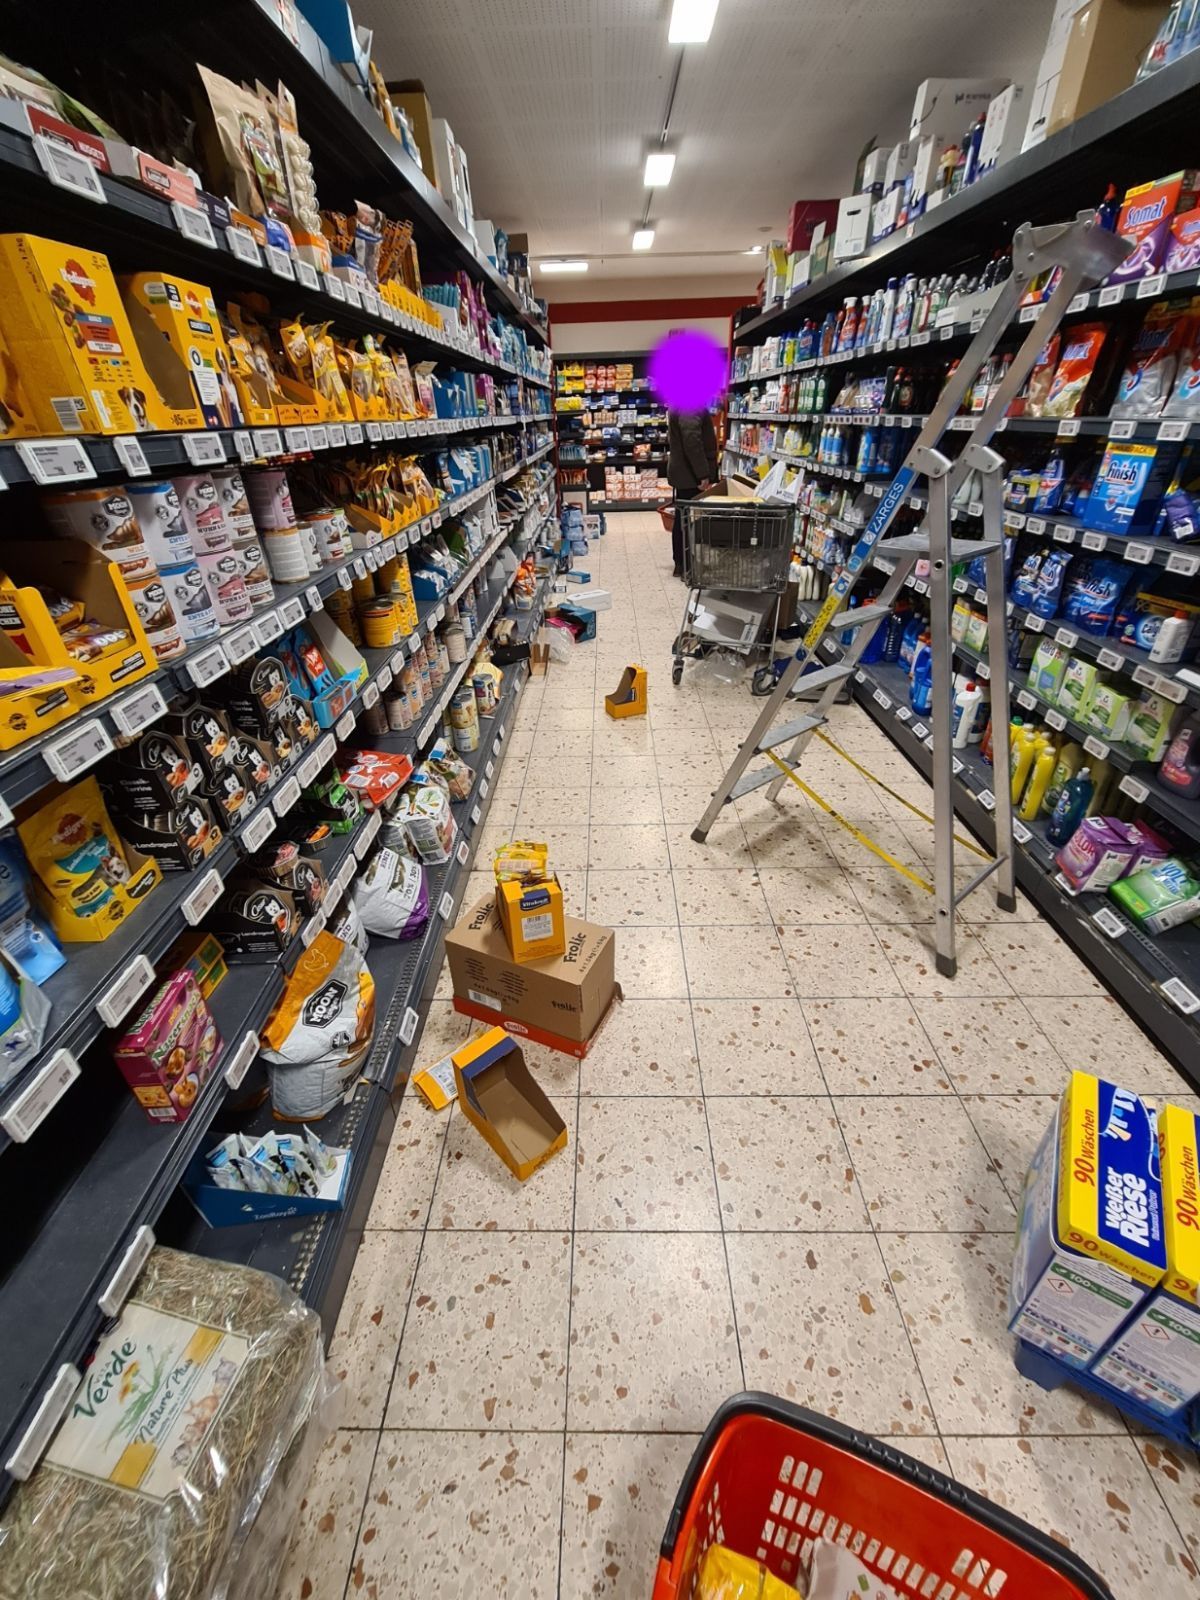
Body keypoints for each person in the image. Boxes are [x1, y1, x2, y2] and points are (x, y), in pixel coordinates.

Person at [666, 407, 719, 577]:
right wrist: (702, 473)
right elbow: (691, 440)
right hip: (690, 475)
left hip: (685, 472)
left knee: (683, 518)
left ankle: (682, 564)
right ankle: (686, 565)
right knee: (689, 521)